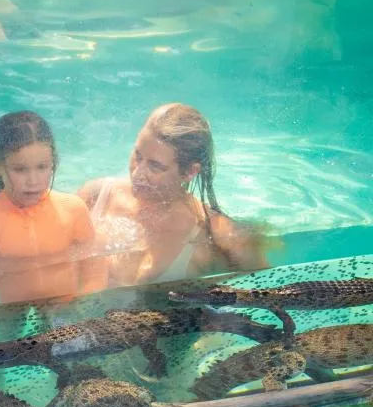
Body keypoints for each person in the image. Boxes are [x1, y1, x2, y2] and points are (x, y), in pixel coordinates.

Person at [77, 103, 268, 287]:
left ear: (189, 172)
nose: (137, 174)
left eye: (155, 166)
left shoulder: (217, 236)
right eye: (137, 156)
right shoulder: (96, 197)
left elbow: (274, 292)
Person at [0, 111, 106, 310]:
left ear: (53, 163)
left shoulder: (73, 210)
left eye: (42, 167)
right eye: (20, 169)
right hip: (11, 307)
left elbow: (93, 262)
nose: (33, 181)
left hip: (64, 302)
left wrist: (88, 294)